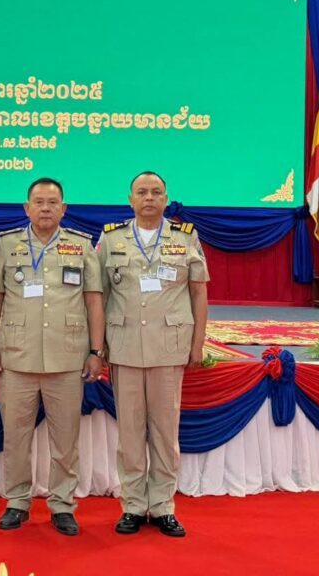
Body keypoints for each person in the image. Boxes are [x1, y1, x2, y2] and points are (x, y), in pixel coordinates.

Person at [0, 178, 104, 536]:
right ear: (27, 208)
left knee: (65, 440)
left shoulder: (81, 246)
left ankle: (63, 504)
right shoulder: (8, 245)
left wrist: (96, 351)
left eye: (53, 202)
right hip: (16, 357)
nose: (46, 208)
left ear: (63, 209)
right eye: (39, 202)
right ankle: (17, 502)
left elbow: (94, 300)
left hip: (66, 357)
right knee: (15, 437)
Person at [97, 171, 209, 538]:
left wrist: (197, 343)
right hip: (125, 347)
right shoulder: (111, 238)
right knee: (130, 433)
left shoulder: (185, 238)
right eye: (142, 192)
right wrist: (97, 346)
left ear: (166, 198)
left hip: (168, 347)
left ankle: (162, 506)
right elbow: (99, 295)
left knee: (164, 432)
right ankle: (132, 505)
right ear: (130, 199)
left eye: (156, 192)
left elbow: (198, 292)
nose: (149, 198)